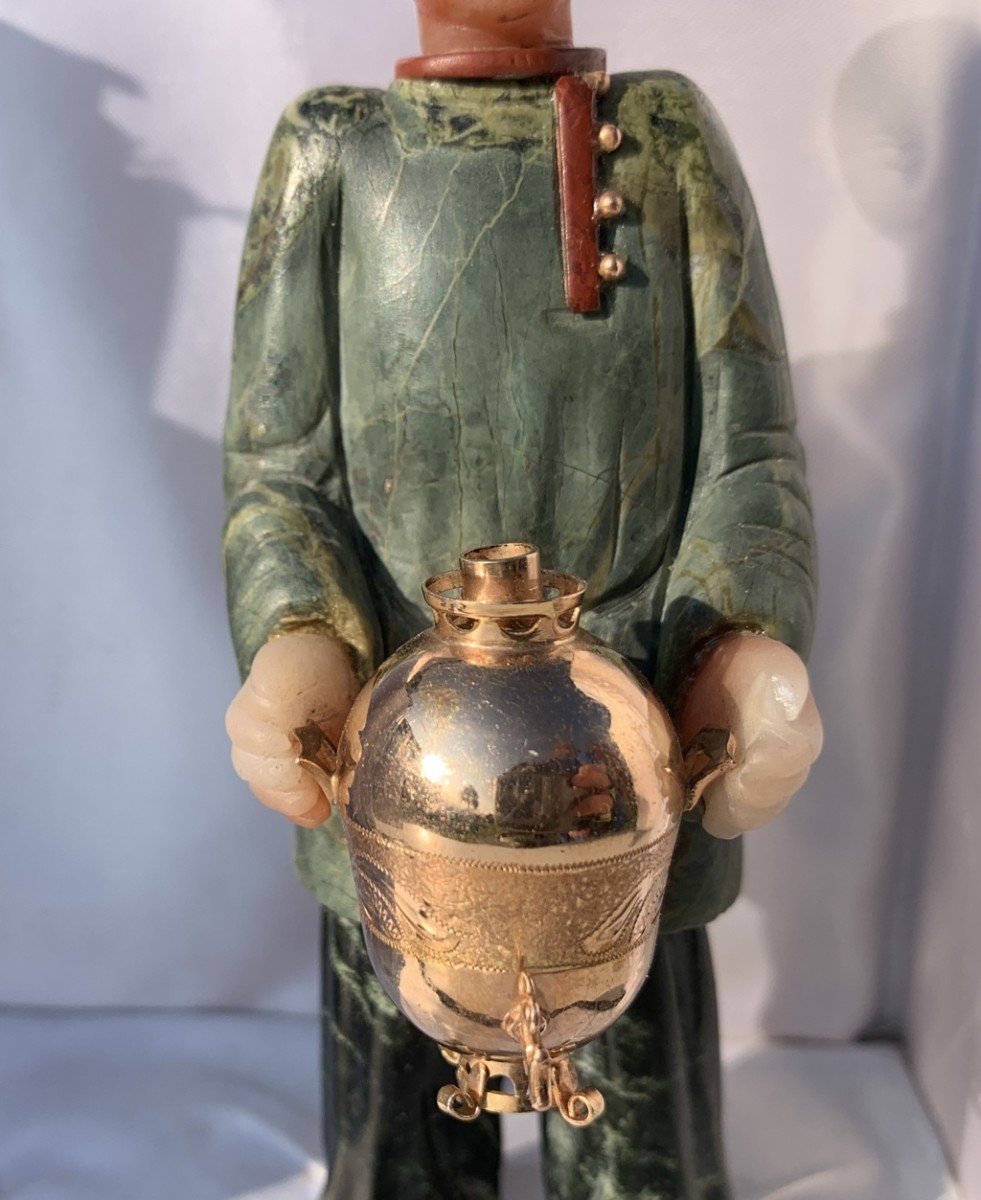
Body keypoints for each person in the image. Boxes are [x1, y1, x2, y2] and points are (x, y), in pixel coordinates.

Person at [222, 1, 823, 1195]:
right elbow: (280, 467)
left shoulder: (660, 135)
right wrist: (299, 647)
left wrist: (739, 654)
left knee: (643, 1155)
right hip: (399, 771)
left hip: (630, 756)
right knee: (396, 1154)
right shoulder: (334, 146)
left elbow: (746, 451)